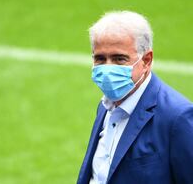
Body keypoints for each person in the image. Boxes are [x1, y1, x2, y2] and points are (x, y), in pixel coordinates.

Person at [77, 11, 193, 184]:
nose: (108, 70)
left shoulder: (177, 118)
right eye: (100, 58)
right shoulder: (106, 106)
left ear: (146, 60)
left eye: (119, 59)